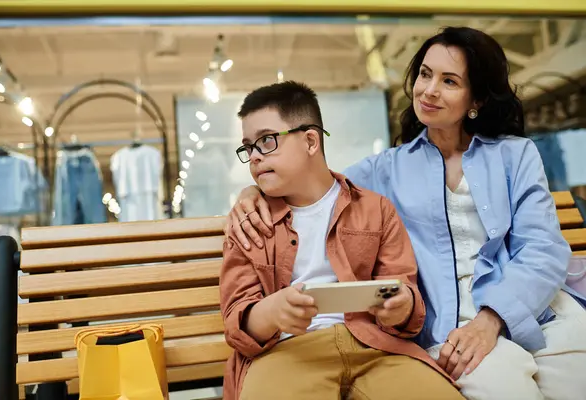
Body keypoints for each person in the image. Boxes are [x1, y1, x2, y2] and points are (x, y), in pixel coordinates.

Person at [225, 27, 586, 400]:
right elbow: (316, 184)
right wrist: (252, 190)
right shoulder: (382, 172)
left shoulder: (516, 154)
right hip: (450, 329)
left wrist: (490, 320)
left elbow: (543, 248)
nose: (429, 90)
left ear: (475, 97)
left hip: (537, 307)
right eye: (425, 75)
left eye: (449, 81)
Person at [220, 81, 463, 400]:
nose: (254, 157)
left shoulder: (376, 209)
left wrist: (400, 307)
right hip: (286, 352)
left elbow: (406, 296)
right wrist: (271, 312)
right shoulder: (249, 221)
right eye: (248, 147)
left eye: (266, 141)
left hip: (376, 348)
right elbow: (237, 321)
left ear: (310, 141)